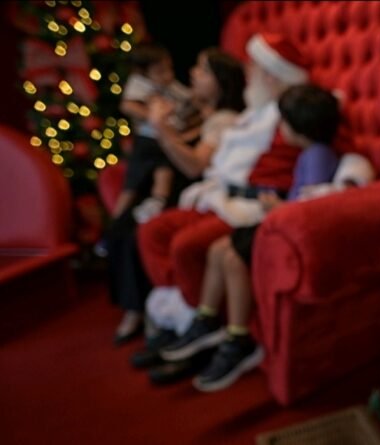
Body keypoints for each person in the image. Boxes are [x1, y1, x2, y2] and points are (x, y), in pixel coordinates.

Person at [134, 33, 310, 382]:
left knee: (187, 246)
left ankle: (206, 329)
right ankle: (184, 318)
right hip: (222, 196)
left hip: (249, 205)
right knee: (152, 231)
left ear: (270, 74)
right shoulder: (253, 113)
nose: (247, 73)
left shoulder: (291, 115)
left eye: (253, 67)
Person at [159, 84, 341, 392]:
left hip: (286, 228)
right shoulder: (311, 153)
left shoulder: (317, 156)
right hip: (279, 222)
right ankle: (207, 318)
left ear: (298, 128)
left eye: (284, 123)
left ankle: (238, 337)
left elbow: (311, 209)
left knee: (231, 257)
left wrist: (277, 208)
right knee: (218, 249)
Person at [107, 48, 245, 344]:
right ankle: (145, 309)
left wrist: (161, 128)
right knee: (119, 230)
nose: (192, 73)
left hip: (188, 185)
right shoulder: (192, 106)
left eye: (203, 70)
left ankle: (149, 312)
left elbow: (195, 165)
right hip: (168, 177)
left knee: (134, 233)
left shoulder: (223, 120)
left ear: (221, 82)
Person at [115, 44, 198, 222]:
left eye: (169, 69)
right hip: (147, 139)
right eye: (160, 72)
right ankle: (117, 220)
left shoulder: (170, 85)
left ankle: (156, 203)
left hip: (163, 138)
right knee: (132, 183)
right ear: (143, 72)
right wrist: (154, 117)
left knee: (164, 170)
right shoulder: (140, 84)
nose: (167, 75)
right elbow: (127, 105)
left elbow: (188, 97)